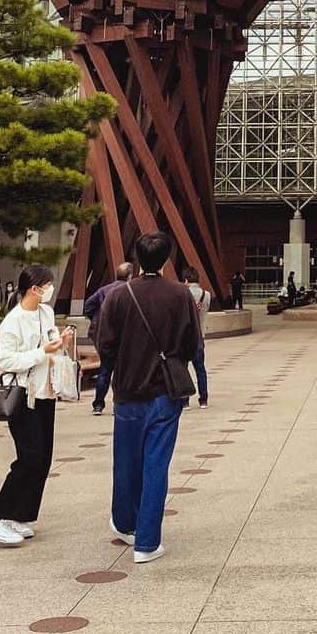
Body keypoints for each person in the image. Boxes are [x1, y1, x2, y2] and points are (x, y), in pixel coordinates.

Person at [96, 231, 200, 564]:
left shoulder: (119, 295)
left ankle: (125, 522)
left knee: (126, 459)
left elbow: (105, 344)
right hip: (165, 393)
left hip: (128, 390)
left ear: (137, 259)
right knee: (157, 463)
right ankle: (147, 542)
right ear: (167, 258)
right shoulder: (180, 295)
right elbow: (192, 344)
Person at [0, 267, 73, 547]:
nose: (50, 289)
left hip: (45, 393)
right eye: (47, 285)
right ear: (34, 288)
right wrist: (41, 352)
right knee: (28, 457)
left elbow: (50, 344)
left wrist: (60, 343)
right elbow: (7, 360)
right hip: (23, 395)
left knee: (43, 457)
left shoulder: (45, 313)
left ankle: (20, 515)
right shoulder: (13, 321)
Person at [84, 262, 133, 415]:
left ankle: (98, 404)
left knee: (105, 370)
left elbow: (88, 306)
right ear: (130, 276)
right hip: (122, 337)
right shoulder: (130, 291)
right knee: (121, 371)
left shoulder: (104, 290)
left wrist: (96, 320)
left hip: (104, 337)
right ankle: (118, 403)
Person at [182, 268, 210, 409]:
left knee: (184, 369)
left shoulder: (182, 294)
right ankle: (203, 399)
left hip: (184, 338)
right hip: (199, 337)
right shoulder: (207, 295)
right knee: (200, 369)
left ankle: (185, 401)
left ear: (186, 280)